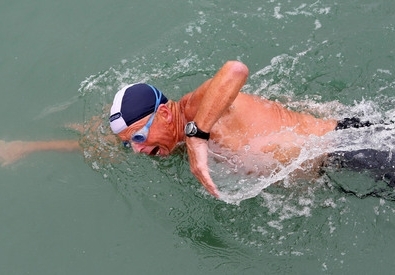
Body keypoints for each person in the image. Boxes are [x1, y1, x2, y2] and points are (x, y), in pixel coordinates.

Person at [1, 61, 393, 197]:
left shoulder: (199, 109)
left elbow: (234, 71)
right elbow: (99, 143)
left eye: (139, 137)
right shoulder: (162, 132)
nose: (136, 150)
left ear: (166, 114)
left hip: (350, 148)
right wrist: (29, 147)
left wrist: (196, 136)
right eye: (130, 143)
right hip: (332, 170)